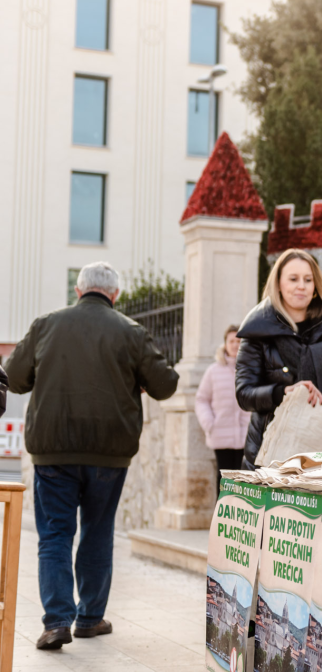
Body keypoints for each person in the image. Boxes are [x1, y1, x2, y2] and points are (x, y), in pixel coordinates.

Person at [5, 261, 178, 650]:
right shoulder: (131, 332)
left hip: (52, 451)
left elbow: (13, 378)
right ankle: (90, 618)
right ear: (114, 295)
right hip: (109, 453)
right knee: (98, 533)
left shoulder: (46, 324)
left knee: (54, 535)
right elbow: (166, 385)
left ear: (79, 290)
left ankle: (56, 623)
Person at [235, 249, 322, 469]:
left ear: (315, 286)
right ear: (278, 284)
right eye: (293, 279)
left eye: (308, 280)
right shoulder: (257, 330)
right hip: (270, 451)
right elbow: (244, 394)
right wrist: (284, 392)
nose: (301, 286)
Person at [196, 325, 250, 493]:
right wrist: (209, 424)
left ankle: (240, 518)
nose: (235, 345)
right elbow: (201, 399)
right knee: (225, 481)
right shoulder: (213, 371)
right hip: (221, 434)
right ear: (225, 344)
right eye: (231, 341)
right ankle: (221, 518)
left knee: (244, 482)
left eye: (239, 341)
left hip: (246, 436)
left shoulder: (250, 370)